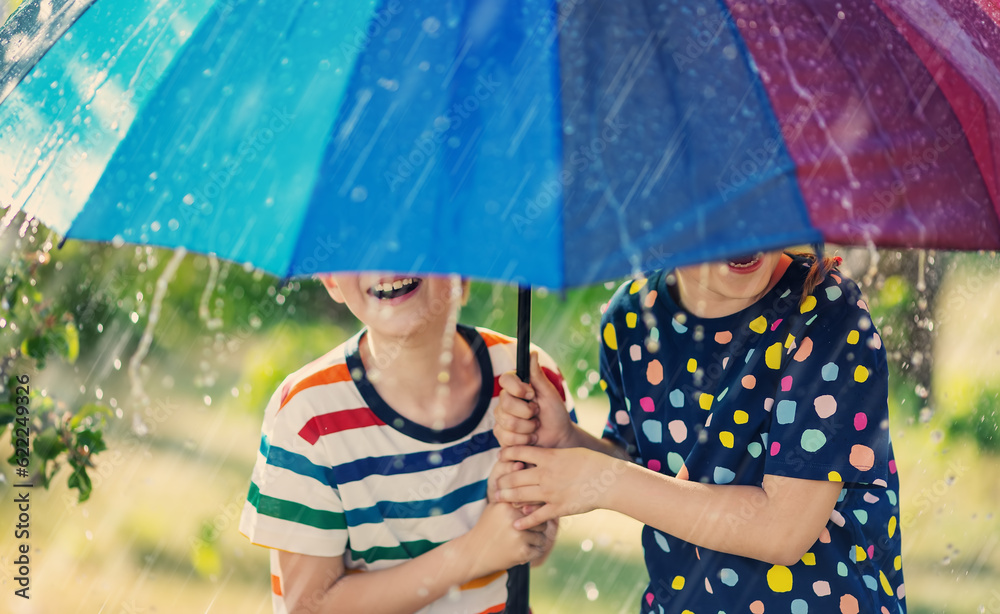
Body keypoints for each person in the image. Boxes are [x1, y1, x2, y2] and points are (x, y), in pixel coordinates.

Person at [493, 250, 906, 614]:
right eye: (715, 207)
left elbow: (785, 529)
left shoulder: (828, 314)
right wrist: (568, 441)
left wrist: (605, 482)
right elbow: (647, 470)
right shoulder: (633, 316)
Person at [239, 273, 571, 614]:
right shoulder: (308, 416)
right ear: (331, 280)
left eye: (412, 232)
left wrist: (520, 512)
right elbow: (309, 607)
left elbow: (533, 551)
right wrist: (472, 553)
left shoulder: (529, 382)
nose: (387, 258)